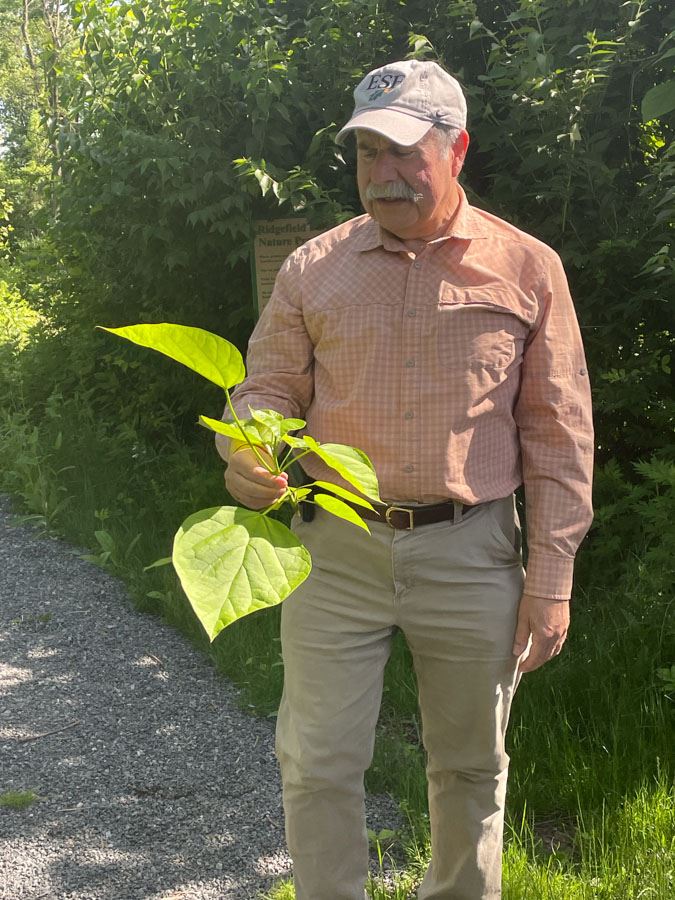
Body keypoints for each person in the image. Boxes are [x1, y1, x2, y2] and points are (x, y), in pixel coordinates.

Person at [217, 59, 594, 900]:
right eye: (365, 157)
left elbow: (559, 433)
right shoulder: (314, 268)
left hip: (471, 550)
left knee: (468, 765)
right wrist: (247, 454)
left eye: (403, 154)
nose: (382, 176)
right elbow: (267, 389)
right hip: (335, 551)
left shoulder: (528, 269)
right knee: (315, 760)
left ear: (456, 148)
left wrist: (552, 580)